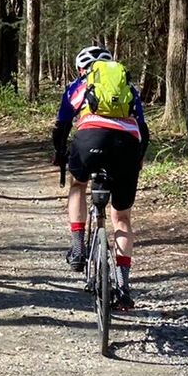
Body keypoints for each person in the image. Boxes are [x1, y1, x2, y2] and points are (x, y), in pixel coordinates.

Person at [51, 45, 150, 306]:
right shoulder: (128, 88)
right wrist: (138, 159)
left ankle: (78, 249)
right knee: (122, 218)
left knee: (78, 185)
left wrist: (59, 153)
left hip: (89, 140)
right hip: (127, 145)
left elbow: (62, 125)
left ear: (81, 69)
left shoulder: (78, 86)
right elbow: (143, 129)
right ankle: (123, 287)